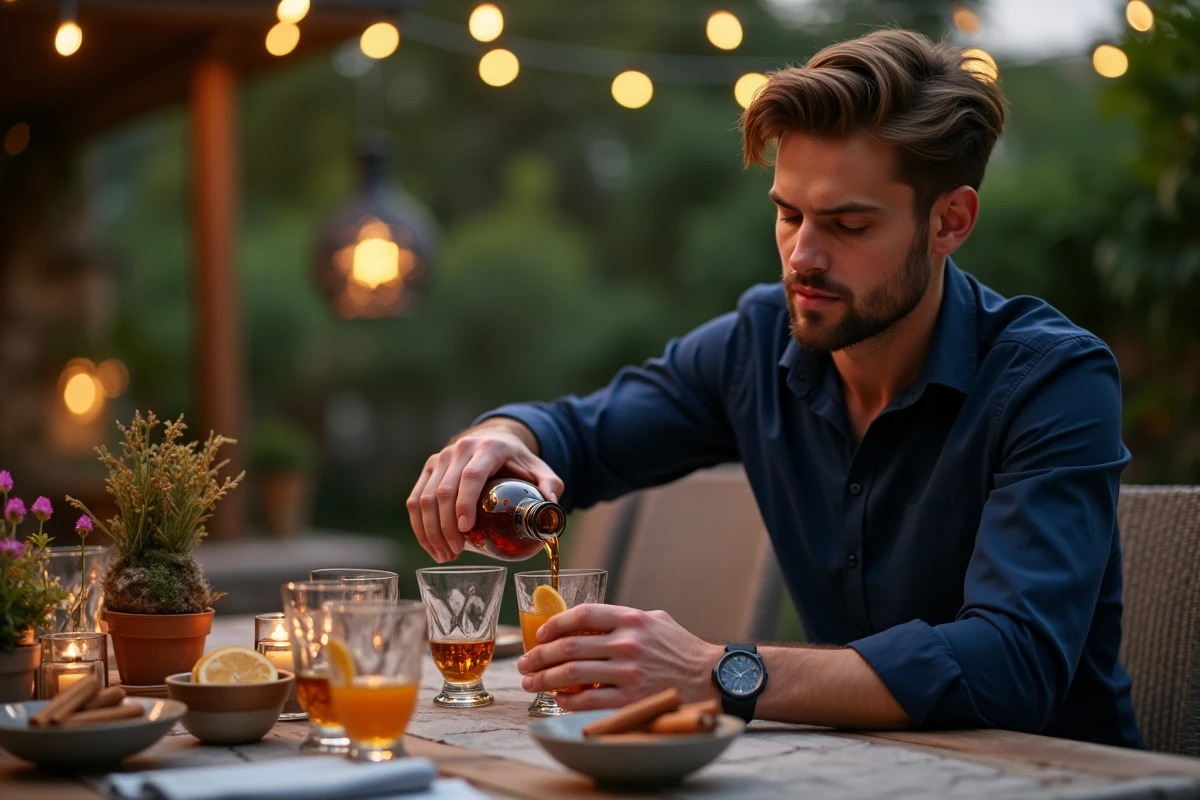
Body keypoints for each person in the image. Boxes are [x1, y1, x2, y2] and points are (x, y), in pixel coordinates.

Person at [406, 29, 1144, 749]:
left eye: (848, 224)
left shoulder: (1053, 380)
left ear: (949, 221)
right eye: (788, 214)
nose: (803, 257)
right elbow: (583, 435)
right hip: (867, 770)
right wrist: (501, 437)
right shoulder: (758, 342)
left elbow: (1011, 664)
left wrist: (716, 671)